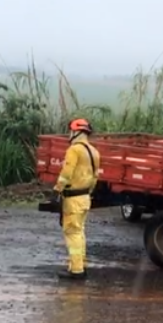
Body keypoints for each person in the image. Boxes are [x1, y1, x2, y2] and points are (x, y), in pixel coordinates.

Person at [53, 118, 101, 280]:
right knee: (79, 233)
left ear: (76, 132)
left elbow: (66, 173)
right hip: (85, 197)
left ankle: (76, 270)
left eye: (70, 131)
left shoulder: (74, 150)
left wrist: (57, 189)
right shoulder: (94, 152)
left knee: (72, 233)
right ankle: (80, 265)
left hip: (73, 199)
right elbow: (95, 177)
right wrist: (88, 192)